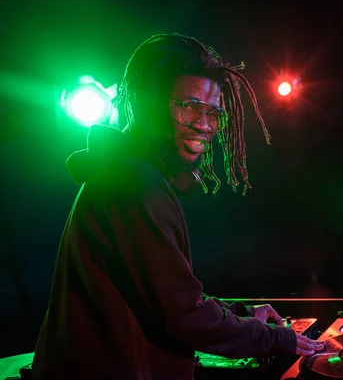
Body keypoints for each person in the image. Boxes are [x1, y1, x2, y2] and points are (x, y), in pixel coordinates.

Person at [32, 33, 324, 380]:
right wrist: (276, 338)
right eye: (188, 105)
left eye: (213, 113)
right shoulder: (134, 186)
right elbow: (182, 314)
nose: (203, 124)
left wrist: (241, 313)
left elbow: (162, 295)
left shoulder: (124, 175)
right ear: (148, 102)